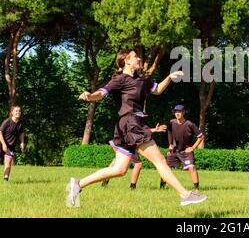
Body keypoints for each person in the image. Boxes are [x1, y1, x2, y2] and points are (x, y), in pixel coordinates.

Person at [67, 50, 207, 206]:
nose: (139, 58)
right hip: (130, 123)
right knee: (160, 160)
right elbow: (102, 93)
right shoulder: (120, 79)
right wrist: (90, 96)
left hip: (133, 124)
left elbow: (158, 90)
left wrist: (169, 77)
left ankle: (78, 184)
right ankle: (185, 195)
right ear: (126, 61)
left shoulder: (142, 80)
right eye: (135, 57)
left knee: (119, 170)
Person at [160, 105, 205, 192]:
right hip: (175, 150)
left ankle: (196, 189)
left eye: (179, 111)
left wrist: (193, 147)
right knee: (165, 168)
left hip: (186, 151)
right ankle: (161, 188)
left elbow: (201, 136)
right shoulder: (171, 122)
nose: (177, 113)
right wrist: (170, 145)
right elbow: (169, 132)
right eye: (176, 112)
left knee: (192, 168)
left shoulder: (189, 124)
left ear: (183, 112)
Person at [0, 106, 25, 181]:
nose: (18, 112)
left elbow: (21, 133)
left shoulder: (20, 123)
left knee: (8, 161)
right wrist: (4, 144)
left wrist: (22, 142)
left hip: (11, 146)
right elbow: (0, 132)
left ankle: (5, 179)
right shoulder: (7, 121)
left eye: (19, 111)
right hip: (1, 143)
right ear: (12, 112)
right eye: (16, 111)